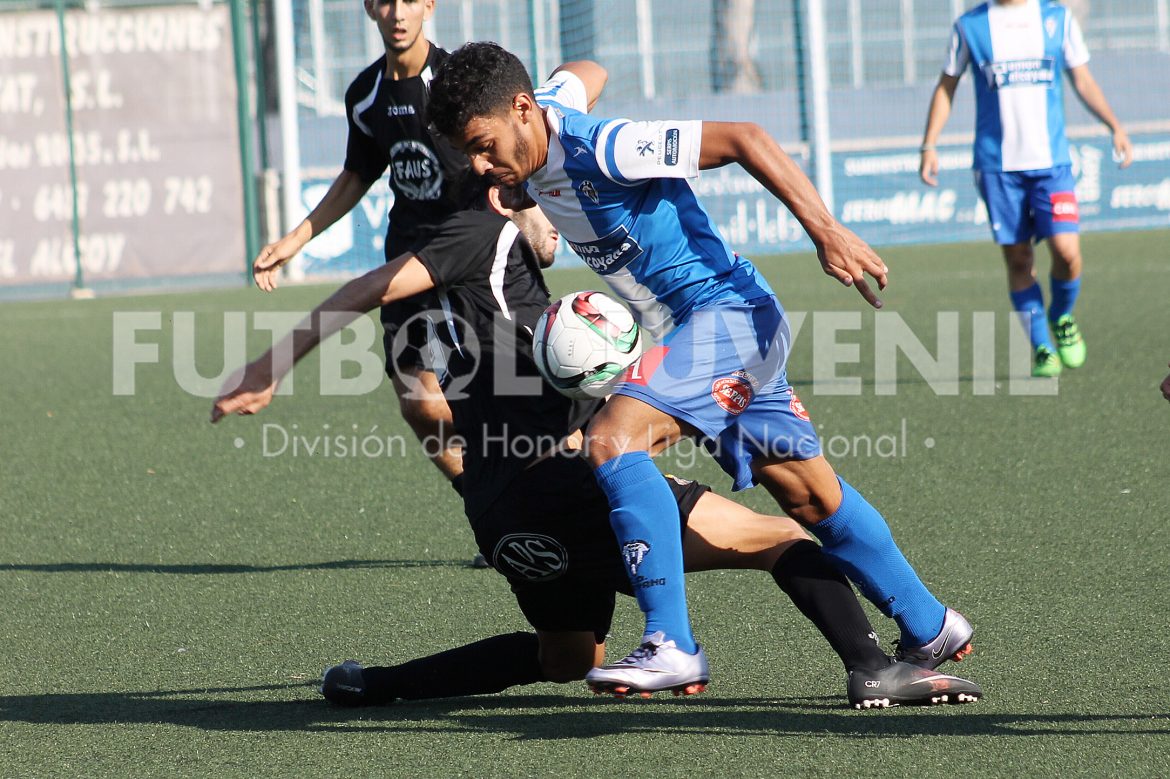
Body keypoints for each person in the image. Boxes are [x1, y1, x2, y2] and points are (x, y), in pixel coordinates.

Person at [212, 175, 983, 709]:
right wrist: (267, 365)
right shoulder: (484, 236)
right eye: (542, 204)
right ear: (507, 197)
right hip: (563, 484)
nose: (556, 223)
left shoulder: (507, 297)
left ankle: (373, 685)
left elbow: (434, 393)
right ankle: (874, 667)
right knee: (782, 536)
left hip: (499, 508)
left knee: (566, 656)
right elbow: (362, 289)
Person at [426, 43, 974, 696]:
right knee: (810, 496)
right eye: (470, 154)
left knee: (612, 439)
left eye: (485, 146)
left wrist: (825, 229)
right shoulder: (543, 118)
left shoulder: (604, 148)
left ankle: (671, 643)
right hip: (718, 329)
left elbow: (745, 137)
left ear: (520, 111)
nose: (483, 167)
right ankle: (931, 623)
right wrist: (561, 87)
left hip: (727, 318)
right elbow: (586, 71)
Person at [251, 0, 471, 499]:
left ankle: (549, 498)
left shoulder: (459, 82)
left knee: (507, 400)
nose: (398, 13)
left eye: (410, 1)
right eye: (387, 1)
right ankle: (486, 500)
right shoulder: (365, 94)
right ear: (371, 8)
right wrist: (295, 238)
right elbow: (357, 174)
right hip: (405, 262)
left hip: (470, 259)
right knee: (420, 406)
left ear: (429, 7)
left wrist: (527, 215)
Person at [919, 0, 1133, 377]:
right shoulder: (971, 26)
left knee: (1067, 253)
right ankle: (1041, 347)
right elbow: (946, 86)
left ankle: (1062, 316)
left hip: (1052, 165)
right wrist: (929, 144)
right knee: (1019, 260)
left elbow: (1082, 79)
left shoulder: (1056, 19)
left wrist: (1114, 125)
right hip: (997, 167)